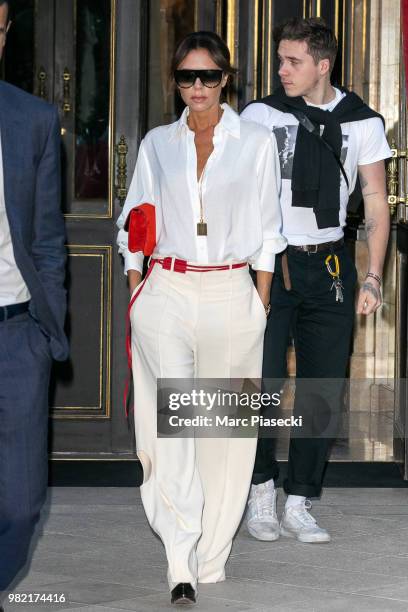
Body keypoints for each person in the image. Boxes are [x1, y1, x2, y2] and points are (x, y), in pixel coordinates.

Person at [117, 31, 286, 606]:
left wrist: (260, 301)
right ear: (176, 81)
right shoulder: (158, 144)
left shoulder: (256, 142)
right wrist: (139, 290)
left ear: (225, 79)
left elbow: (268, 228)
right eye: (186, 77)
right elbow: (134, 219)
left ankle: (211, 556)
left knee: (225, 436)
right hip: (166, 289)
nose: (197, 88)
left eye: (207, 77)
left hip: (233, 295)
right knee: (171, 432)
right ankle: (178, 558)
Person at [241, 17, 391, 544]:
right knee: (260, 382)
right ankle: (260, 490)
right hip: (269, 263)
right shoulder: (261, 114)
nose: (282, 70)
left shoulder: (363, 122)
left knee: (322, 387)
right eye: (280, 60)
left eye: (293, 61)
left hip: (328, 264)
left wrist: (372, 275)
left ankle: (299, 499)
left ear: (322, 65)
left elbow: (374, 199)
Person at [0, 0, 68, 601]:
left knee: (21, 504)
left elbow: (48, 239)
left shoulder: (33, 119)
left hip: (16, 332)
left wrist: (48, 332)